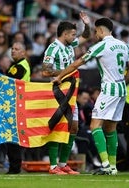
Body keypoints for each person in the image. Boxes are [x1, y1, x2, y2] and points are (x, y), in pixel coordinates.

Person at [52, 17, 129, 175]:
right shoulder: (124, 46)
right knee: (110, 128)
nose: (96, 34)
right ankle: (113, 166)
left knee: (94, 126)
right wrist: (121, 82)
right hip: (122, 89)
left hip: (109, 88)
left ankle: (105, 165)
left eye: (96, 31)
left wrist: (60, 76)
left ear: (102, 30)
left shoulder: (101, 45)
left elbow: (78, 63)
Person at [41, 11, 91, 175]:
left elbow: (86, 36)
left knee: (73, 128)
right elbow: (45, 72)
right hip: (58, 92)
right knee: (58, 128)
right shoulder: (53, 48)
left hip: (71, 92)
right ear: (64, 34)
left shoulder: (70, 45)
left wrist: (87, 24)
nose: (75, 37)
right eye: (72, 34)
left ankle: (63, 164)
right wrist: (66, 72)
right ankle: (53, 166)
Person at [5, 42, 31, 174]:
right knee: (11, 137)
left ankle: (14, 167)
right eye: (12, 48)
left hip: (16, 105)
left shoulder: (20, 67)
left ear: (23, 53)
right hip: (15, 105)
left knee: (13, 137)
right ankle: (13, 166)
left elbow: (7, 82)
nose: (13, 51)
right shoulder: (16, 65)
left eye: (16, 49)